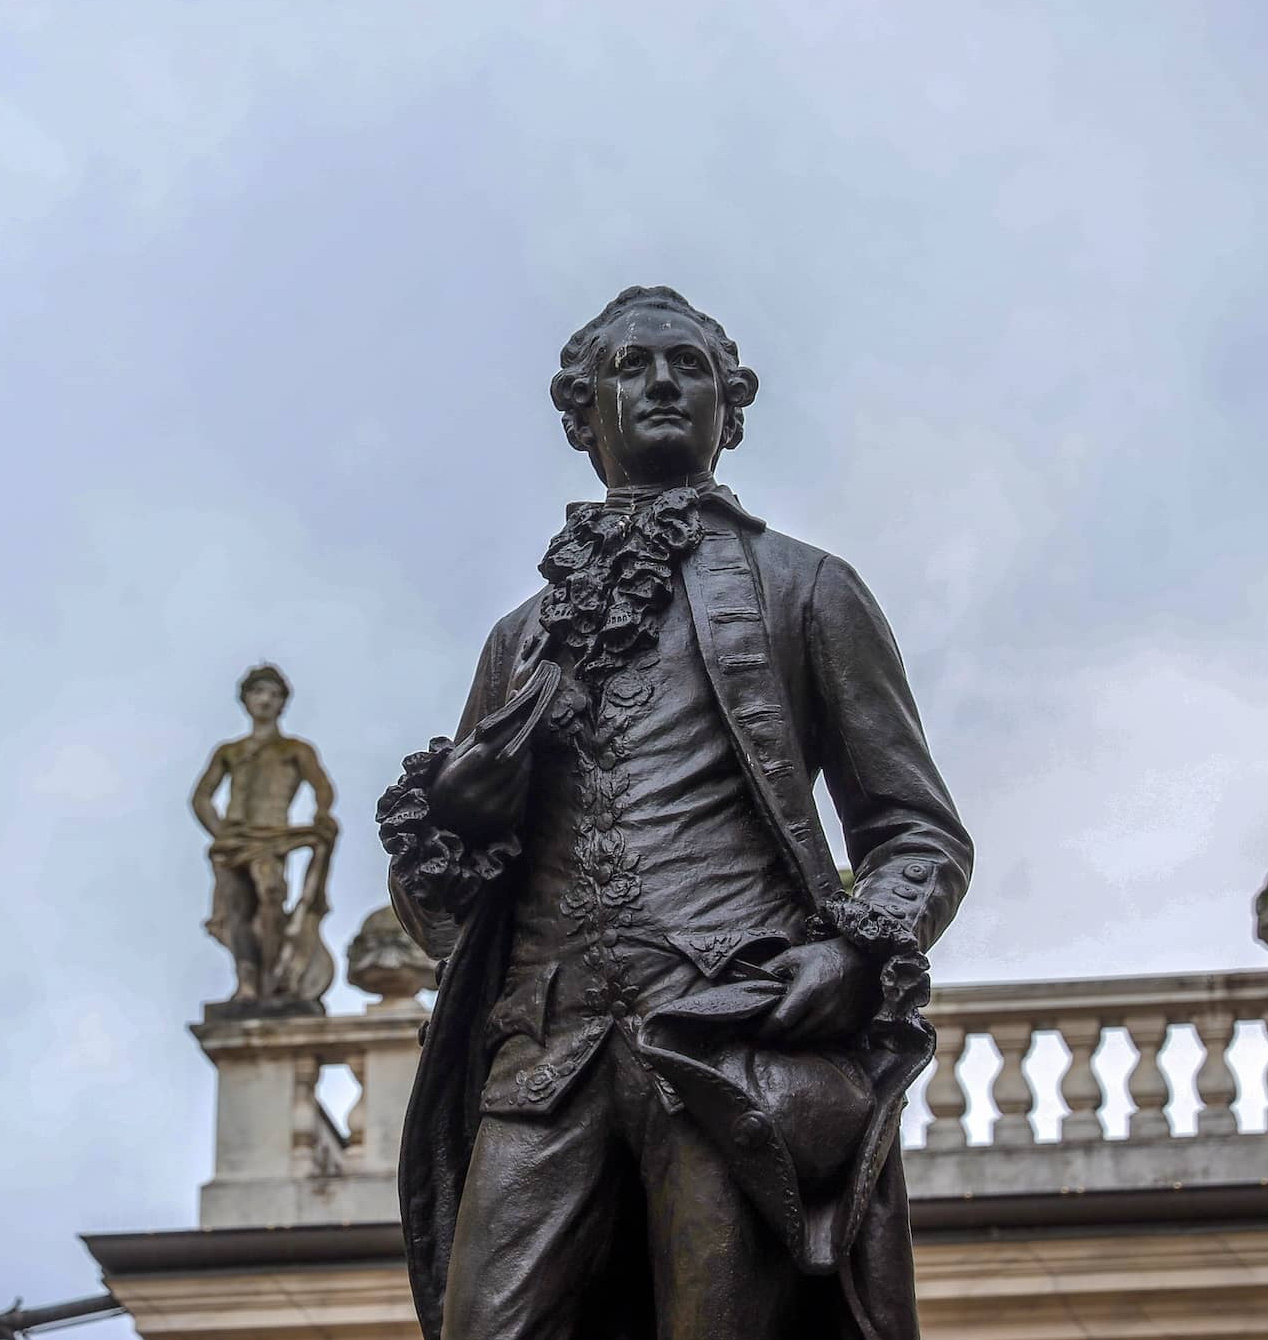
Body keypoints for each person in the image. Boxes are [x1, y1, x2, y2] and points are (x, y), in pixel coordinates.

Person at [379, 288, 973, 1339]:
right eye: (633, 366)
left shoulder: (806, 588)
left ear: (728, 409)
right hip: (543, 1055)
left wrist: (854, 952)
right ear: (583, 413)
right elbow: (440, 915)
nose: (662, 382)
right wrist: (461, 821)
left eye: (689, 366)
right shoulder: (518, 640)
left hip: (723, 1037)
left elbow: (916, 832)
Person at [193, 664, 339, 1010]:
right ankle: (247, 983)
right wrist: (220, 831)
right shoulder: (230, 751)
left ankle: (273, 977)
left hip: (273, 837)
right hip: (233, 841)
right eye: (258, 692)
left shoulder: (294, 749)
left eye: (273, 694)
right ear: (245, 699)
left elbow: (322, 787)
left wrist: (321, 814)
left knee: (271, 896)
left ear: (282, 703)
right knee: (237, 910)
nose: (265, 700)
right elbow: (201, 798)